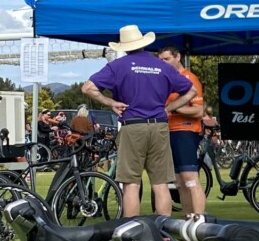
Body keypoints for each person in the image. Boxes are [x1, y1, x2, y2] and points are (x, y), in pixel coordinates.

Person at [82, 24, 196, 217]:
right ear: (143, 43)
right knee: (160, 184)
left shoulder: (118, 66)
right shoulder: (162, 66)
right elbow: (191, 90)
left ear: (124, 46)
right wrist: (168, 108)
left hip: (133, 125)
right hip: (159, 126)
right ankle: (164, 235)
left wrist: (110, 102)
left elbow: (87, 88)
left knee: (131, 185)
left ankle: (131, 233)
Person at [157, 40, 206, 215]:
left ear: (178, 57)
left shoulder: (189, 78)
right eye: (160, 60)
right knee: (179, 182)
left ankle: (199, 221)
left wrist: (174, 108)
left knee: (190, 179)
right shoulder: (166, 80)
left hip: (185, 131)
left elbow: (199, 111)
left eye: (166, 59)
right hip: (168, 132)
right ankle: (188, 220)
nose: (163, 63)